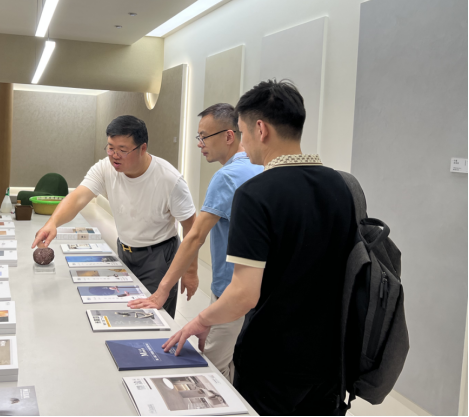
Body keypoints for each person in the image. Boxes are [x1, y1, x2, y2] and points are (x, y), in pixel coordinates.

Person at [162, 80, 357, 416]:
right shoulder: (342, 185)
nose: (242, 143)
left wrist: (201, 320)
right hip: (331, 360)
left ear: (261, 130)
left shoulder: (255, 194)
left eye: (242, 132)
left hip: (273, 360)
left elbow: (244, 294)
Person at [129, 103, 262, 382]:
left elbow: (194, 237)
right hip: (260, 292)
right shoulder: (261, 168)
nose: (200, 144)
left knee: (212, 372)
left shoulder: (226, 176)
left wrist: (162, 290)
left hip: (231, 291)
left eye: (204, 137)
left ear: (229, 135)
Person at [32, 115, 196, 318]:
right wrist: (52, 223)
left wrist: (190, 271)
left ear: (143, 148)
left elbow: (192, 228)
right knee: (126, 311)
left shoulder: (169, 179)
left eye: (122, 150)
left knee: (153, 317)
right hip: (125, 250)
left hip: (159, 256)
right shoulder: (105, 168)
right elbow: (77, 197)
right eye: (110, 148)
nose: (114, 156)